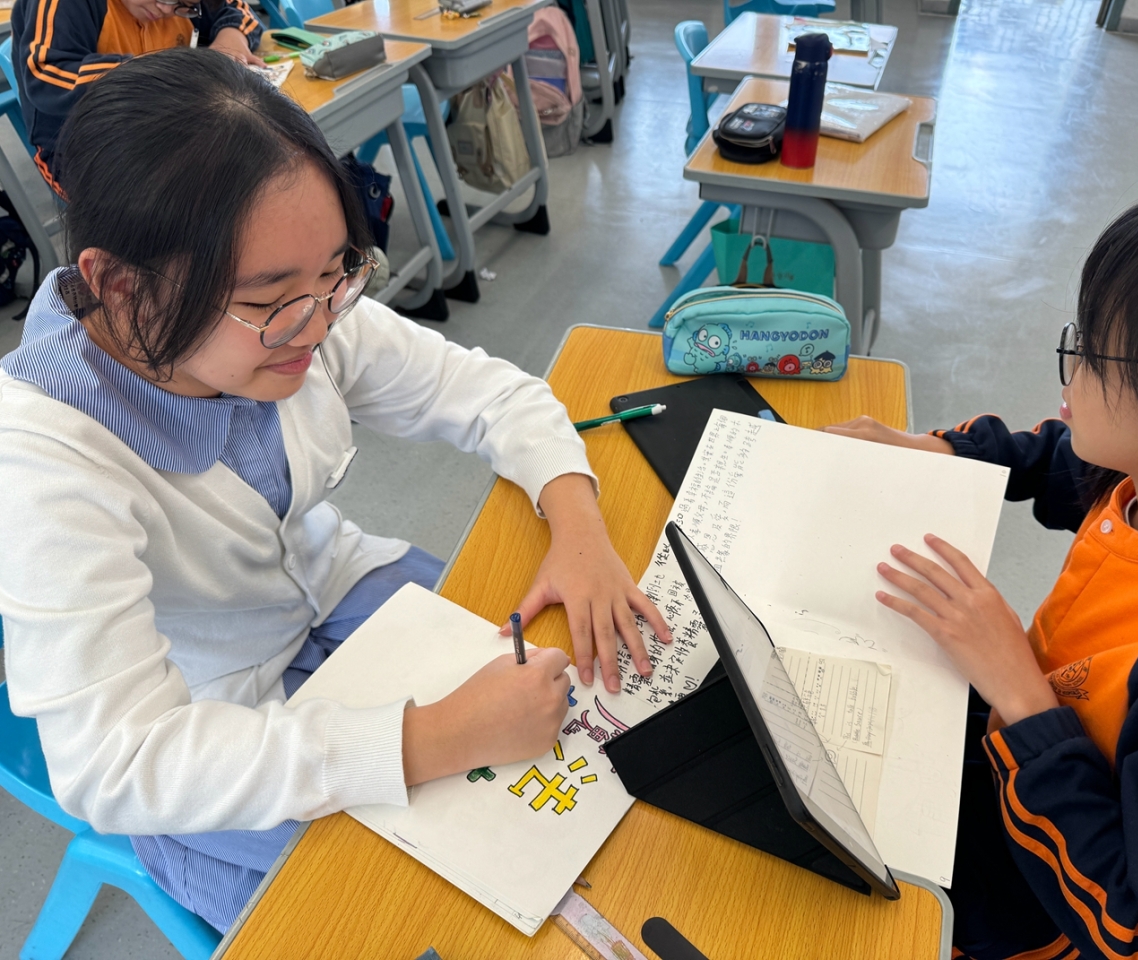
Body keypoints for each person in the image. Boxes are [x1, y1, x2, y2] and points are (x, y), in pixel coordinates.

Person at [0, 47, 670, 933]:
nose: (319, 324)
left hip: (343, 597)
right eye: (274, 297)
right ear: (120, 287)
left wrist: (577, 525)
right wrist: (432, 738)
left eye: (335, 274)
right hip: (214, 735)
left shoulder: (294, 314)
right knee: (422, 917)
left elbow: (488, 393)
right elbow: (120, 762)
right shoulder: (43, 460)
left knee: (608, 751)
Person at [827, 176, 1138, 960]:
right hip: (1007, 757)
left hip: (1034, 905)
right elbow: (1061, 460)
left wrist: (1022, 698)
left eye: (1095, 355)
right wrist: (943, 451)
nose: (1070, 375)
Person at [11, 0, 263, 187]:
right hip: (82, 148)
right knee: (192, 205)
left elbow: (239, 11)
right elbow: (46, 76)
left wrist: (231, 39)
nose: (166, 9)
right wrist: (165, 72)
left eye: (183, 5)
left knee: (253, 164)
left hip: (172, 128)